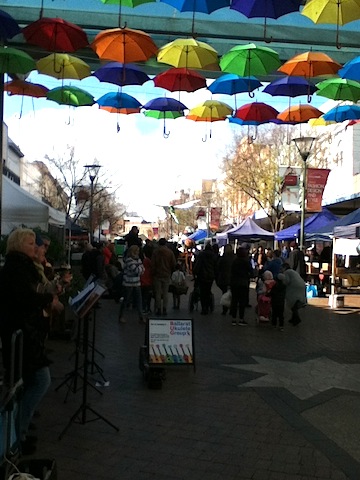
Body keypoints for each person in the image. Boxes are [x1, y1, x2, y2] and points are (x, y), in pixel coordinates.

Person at [0, 228, 53, 455]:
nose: (36, 247)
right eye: (31, 243)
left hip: (25, 337)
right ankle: (15, 436)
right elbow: (25, 300)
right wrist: (47, 298)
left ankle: (15, 435)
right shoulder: (16, 269)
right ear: (20, 245)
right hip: (21, 338)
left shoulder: (21, 267)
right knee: (40, 381)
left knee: (24, 385)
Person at [119, 244, 145, 324]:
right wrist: (140, 269)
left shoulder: (138, 259)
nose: (138, 252)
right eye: (136, 251)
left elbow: (142, 270)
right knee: (126, 300)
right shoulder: (129, 260)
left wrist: (140, 269)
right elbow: (137, 270)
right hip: (128, 283)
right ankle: (121, 316)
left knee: (139, 300)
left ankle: (141, 317)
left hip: (137, 283)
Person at [151, 238, 176, 316]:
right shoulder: (170, 252)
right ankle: (164, 308)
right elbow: (173, 264)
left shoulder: (155, 252)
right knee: (165, 293)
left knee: (158, 293)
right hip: (166, 274)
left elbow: (153, 263)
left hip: (157, 274)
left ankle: (158, 308)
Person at [230, 247, 253, 326]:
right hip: (243, 283)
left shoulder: (234, 261)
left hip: (234, 283)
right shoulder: (246, 261)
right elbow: (251, 272)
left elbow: (231, 271)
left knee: (234, 301)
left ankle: (233, 318)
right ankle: (241, 319)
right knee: (242, 302)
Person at [193, 242, 216, 315]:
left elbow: (198, 264)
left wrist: (195, 272)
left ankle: (204, 308)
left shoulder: (201, 255)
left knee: (202, 292)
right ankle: (208, 304)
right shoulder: (213, 255)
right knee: (208, 290)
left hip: (202, 275)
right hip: (210, 276)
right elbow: (215, 266)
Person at [216, 243, 235, 315]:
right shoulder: (234, 258)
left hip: (224, 279)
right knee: (232, 295)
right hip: (232, 279)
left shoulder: (223, 258)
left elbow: (218, 267)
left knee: (225, 294)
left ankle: (225, 309)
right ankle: (231, 309)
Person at [140, 244, 153, 315]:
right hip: (149, 281)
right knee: (148, 296)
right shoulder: (151, 261)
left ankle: (144, 308)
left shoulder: (144, 261)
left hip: (143, 281)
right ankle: (147, 308)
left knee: (144, 296)